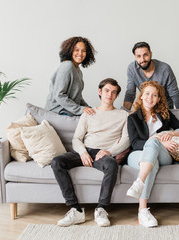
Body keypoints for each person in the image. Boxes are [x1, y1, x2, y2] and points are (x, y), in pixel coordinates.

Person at [51, 78, 130, 227]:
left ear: (116, 96)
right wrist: (82, 153)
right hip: (85, 151)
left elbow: (126, 139)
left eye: (114, 92)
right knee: (57, 162)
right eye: (107, 91)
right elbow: (76, 138)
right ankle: (75, 210)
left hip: (103, 154)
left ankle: (101, 209)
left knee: (112, 164)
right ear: (100, 92)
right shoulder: (89, 113)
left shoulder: (123, 115)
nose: (110, 95)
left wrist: (109, 151)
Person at [126, 81, 179, 228]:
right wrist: (156, 142)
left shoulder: (165, 114)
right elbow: (134, 143)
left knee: (154, 143)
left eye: (154, 95)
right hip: (138, 155)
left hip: (164, 155)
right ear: (141, 97)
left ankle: (139, 182)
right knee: (152, 161)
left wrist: (172, 133)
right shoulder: (132, 118)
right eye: (147, 94)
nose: (150, 98)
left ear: (159, 99)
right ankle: (142, 211)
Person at [123, 41, 179, 110]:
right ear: (135, 57)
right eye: (139, 56)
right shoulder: (132, 69)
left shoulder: (165, 69)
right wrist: (124, 113)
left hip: (164, 110)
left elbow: (175, 94)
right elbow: (130, 93)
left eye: (145, 55)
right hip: (146, 109)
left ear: (151, 54)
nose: (142, 59)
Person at [45, 36, 96, 116]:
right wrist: (81, 109)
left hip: (69, 112)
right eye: (77, 50)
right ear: (70, 51)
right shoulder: (67, 66)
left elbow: (77, 97)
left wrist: (89, 108)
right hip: (57, 112)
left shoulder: (78, 71)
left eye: (84, 51)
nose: (80, 53)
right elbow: (59, 95)